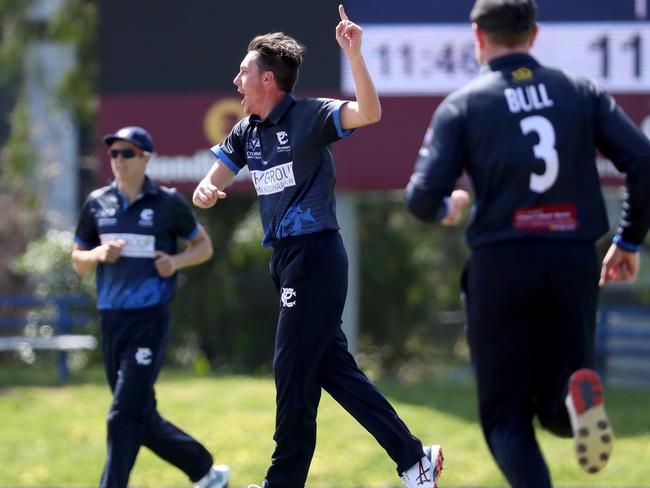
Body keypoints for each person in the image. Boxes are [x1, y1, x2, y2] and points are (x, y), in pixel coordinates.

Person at [192, 5, 443, 488]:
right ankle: (415, 460)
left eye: (244, 72)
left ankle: (282, 483)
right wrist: (206, 188)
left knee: (291, 371)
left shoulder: (309, 116)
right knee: (330, 368)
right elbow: (216, 174)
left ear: (268, 79)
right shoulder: (247, 130)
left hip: (316, 256)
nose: (235, 80)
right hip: (287, 262)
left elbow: (369, 113)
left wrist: (354, 54)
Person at [405, 0, 650, 486]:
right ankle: (572, 391)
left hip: (502, 262)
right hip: (572, 258)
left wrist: (446, 208)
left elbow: (420, 196)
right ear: (534, 34)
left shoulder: (464, 103)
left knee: (504, 417)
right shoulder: (580, 91)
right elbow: (642, 160)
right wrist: (628, 240)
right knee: (560, 402)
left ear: (478, 37)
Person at [71, 126, 229, 488]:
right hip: (111, 320)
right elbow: (78, 260)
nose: (118, 161)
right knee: (140, 413)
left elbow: (203, 248)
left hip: (149, 319)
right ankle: (205, 470)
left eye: (127, 154)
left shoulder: (167, 203)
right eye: (113, 154)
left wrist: (175, 262)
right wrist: (97, 254)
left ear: (145, 158)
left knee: (121, 415)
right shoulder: (97, 203)